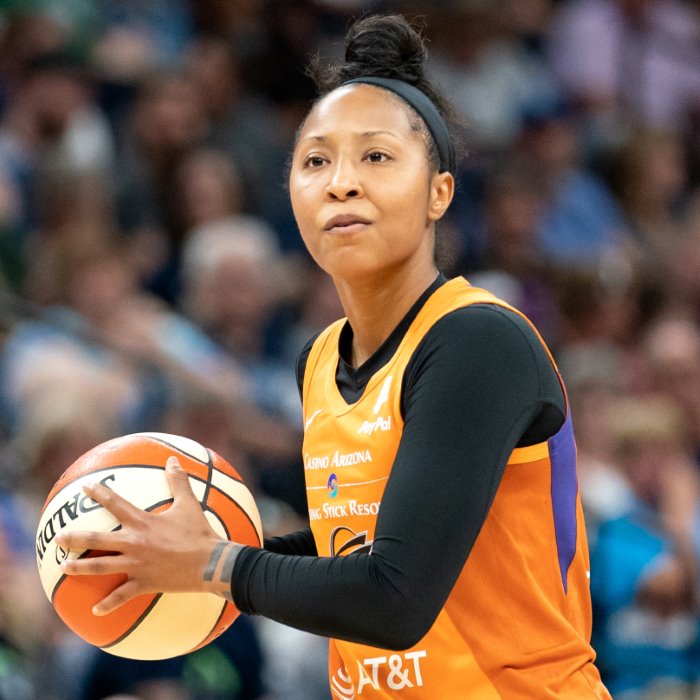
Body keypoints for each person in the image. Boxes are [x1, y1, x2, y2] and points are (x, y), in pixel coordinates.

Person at [56, 15, 611, 699]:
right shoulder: (319, 360)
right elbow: (352, 545)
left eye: (376, 157)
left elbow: (393, 597)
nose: (341, 182)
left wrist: (214, 565)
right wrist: (172, 552)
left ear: (439, 192)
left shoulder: (476, 341)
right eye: (316, 161)